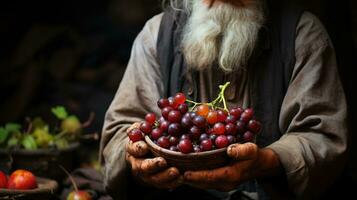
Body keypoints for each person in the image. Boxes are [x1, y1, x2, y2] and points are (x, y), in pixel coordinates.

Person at [99, 0, 349, 199]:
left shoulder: (302, 34)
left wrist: (266, 162)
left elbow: (323, 137)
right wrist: (136, 161)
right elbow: (120, 131)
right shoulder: (156, 34)